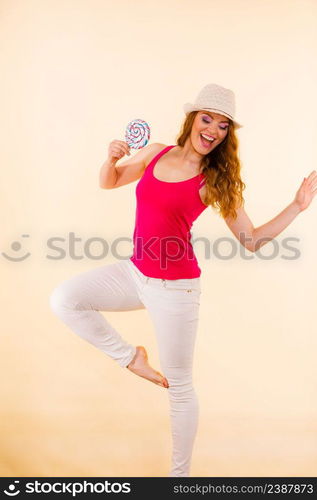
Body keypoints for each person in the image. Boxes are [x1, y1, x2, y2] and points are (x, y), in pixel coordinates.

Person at [49, 83, 317, 477]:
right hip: (134, 272)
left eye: (223, 125)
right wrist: (110, 159)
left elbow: (252, 240)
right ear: (192, 119)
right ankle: (130, 358)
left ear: (227, 134)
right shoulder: (155, 151)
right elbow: (108, 182)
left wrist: (296, 207)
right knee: (65, 299)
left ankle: (179, 481)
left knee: (179, 387)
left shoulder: (214, 179)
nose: (213, 130)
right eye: (207, 119)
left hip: (175, 289)